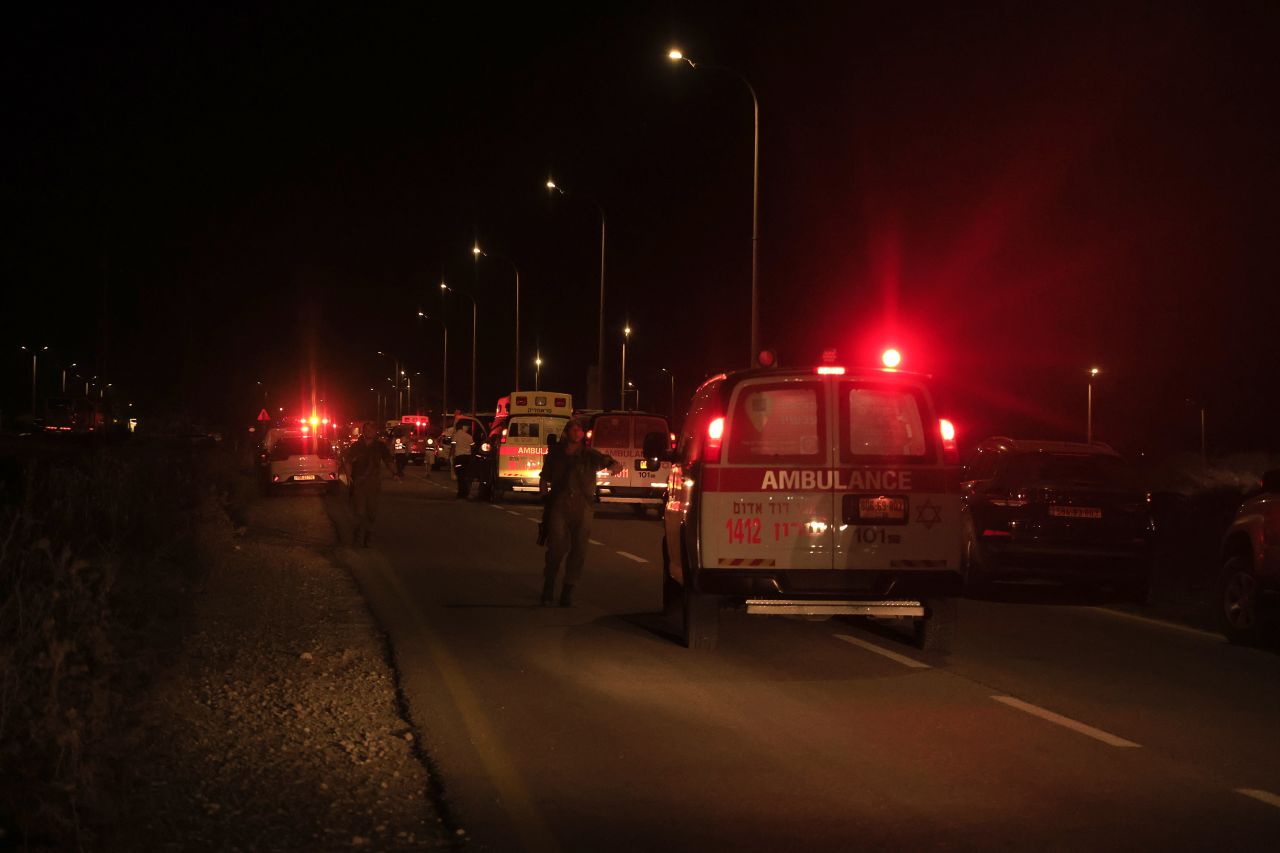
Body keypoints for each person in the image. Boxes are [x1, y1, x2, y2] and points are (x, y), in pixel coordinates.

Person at [538, 417, 622, 607]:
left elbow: (606, 460)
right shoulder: (555, 454)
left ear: (583, 434)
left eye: (579, 430)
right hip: (559, 504)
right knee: (556, 548)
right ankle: (549, 585)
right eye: (573, 429)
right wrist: (544, 497)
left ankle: (568, 590)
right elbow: (544, 477)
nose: (576, 432)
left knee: (579, 550)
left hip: (583, 506)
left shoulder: (589, 455)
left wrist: (614, 465)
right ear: (567, 432)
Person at [343, 422, 395, 547]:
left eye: (371, 429)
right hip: (359, 483)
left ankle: (368, 537)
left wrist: (395, 472)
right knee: (359, 512)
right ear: (363, 431)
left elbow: (388, 461)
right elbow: (348, 461)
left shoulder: (380, 446)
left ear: (375, 431)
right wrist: (349, 476)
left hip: (373, 483)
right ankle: (357, 538)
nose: (369, 431)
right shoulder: (356, 446)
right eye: (366, 429)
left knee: (371, 513)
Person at [451, 422, 475, 499]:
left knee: (460, 476)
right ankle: (466, 492)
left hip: (459, 458)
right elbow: (473, 446)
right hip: (467, 458)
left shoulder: (455, 435)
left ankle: (461, 493)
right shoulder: (469, 436)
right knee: (465, 475)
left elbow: (453, 446)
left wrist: (451, 456)